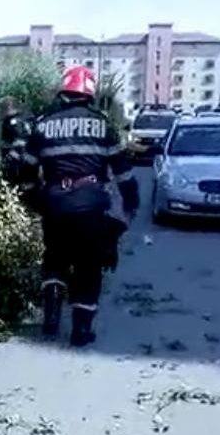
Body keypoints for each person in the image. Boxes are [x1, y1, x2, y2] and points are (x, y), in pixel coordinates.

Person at [22, 66, 139, 347]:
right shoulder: (103, 125)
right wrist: (131, 201)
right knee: (89, 267)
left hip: (55, 204)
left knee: (55, 259)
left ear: (64, 93)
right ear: (89, 95)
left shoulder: (42, 124)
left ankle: (50, 318)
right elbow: (122, 171)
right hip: (90, 207)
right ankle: (80, 331)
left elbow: (26, 168)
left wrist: (33, 198)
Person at [0, 98, 39, 211]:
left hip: (21, 161)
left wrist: (6, 161)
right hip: (32, 160)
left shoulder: (13, 122)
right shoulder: (28, 118)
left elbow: (20, 143)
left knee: (19, 188)